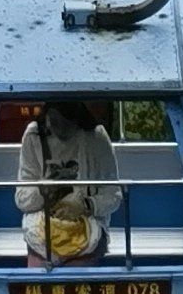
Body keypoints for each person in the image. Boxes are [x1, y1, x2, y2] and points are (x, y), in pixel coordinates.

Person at [15, 100, 119, 265]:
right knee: (39, 278)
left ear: (78, 119)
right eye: (55, 122)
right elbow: (22, 199)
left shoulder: (96, 137)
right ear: (47, 114)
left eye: (67, 124)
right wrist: (44, 191)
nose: (60, 130)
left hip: (87, 224)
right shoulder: (34, 136)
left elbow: (114, 196)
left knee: (76, 282)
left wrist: (86, 205)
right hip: (42, 226)